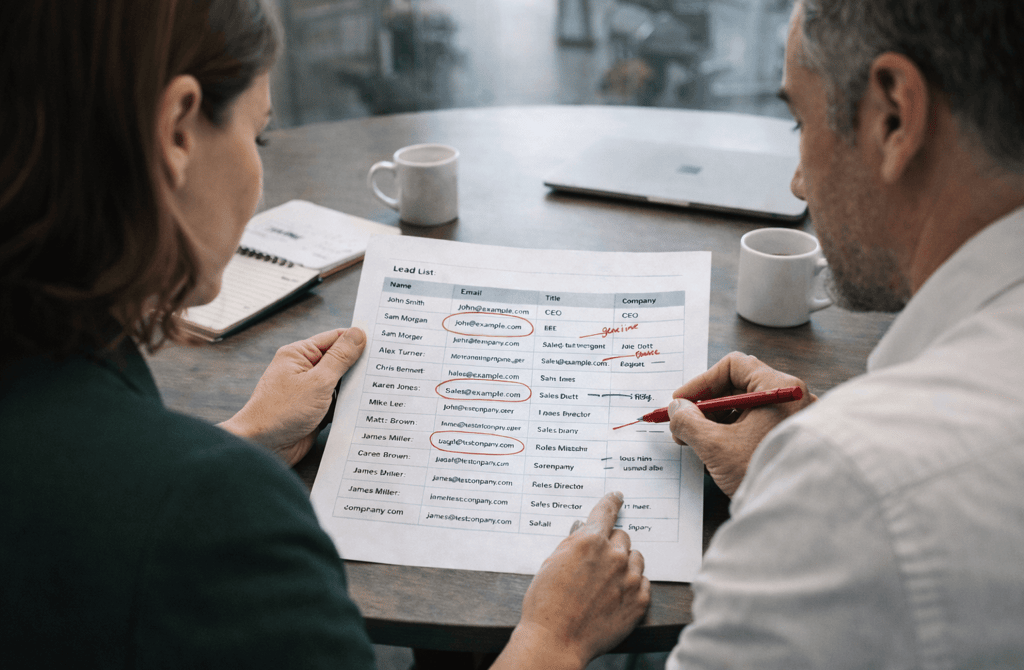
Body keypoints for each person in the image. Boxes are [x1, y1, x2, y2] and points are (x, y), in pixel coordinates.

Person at [0, 1, 648, 667]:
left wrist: (248, 432)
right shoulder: (216, 516)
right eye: (258, 138)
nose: (258, 176)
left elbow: (76, 497)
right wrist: (555, 638)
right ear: (177, 131)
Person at [660, 0, 1024, 667]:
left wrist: (555, 638)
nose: (799, 179)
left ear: (893, 117)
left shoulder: (850, 485)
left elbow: (879, 497)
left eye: (800, 121)